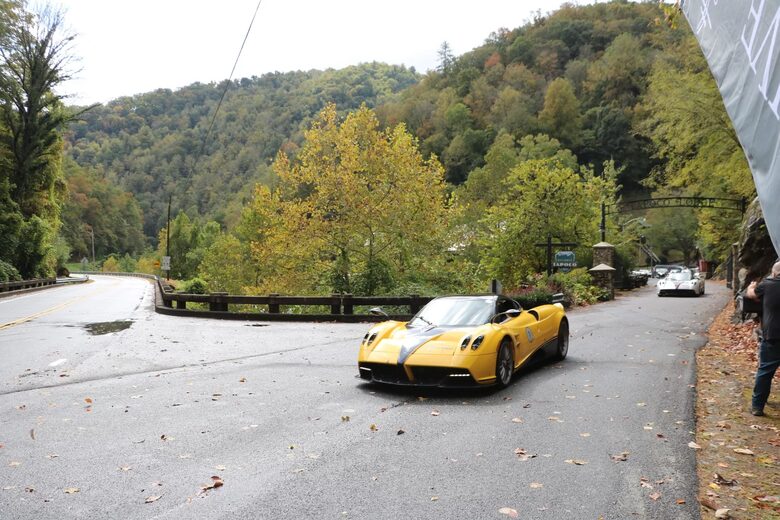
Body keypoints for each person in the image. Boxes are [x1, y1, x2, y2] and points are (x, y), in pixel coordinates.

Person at [746, 261, 780, 416]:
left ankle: (757, 406)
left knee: (765, 371)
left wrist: (751, 287)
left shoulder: (768, 285)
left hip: (773, 335)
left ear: (774, 273)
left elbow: (751, 296)